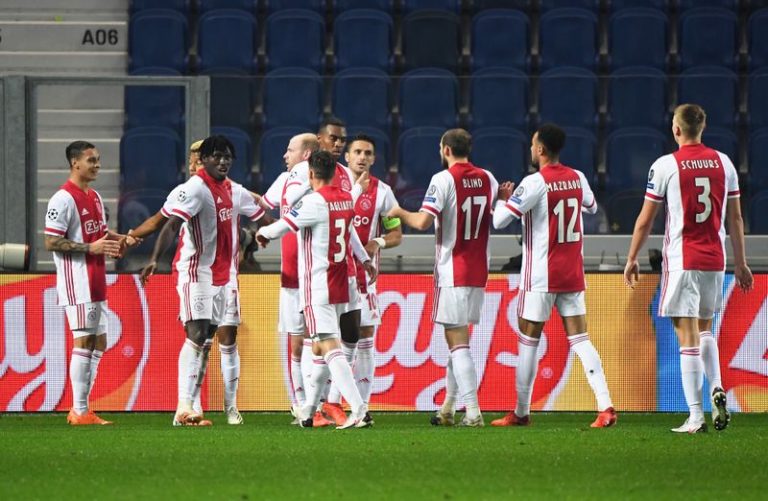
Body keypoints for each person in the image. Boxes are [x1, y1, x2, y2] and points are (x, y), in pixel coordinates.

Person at [624, 104, 753, 433]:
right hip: (715, 259)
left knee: (687, 339)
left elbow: (646, 219)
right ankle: (716, 388)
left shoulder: (666, 165)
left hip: (683, 260)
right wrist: (741, 263)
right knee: (706, 328)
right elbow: (735, 218)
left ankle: (695, 416)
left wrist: (632, 257)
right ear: (703, 126)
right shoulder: (724, 163)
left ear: (677, 130)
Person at [492, 124, 617, 428]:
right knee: (581, 339)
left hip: (540, 277)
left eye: (533, 144)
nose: (531, 149)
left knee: (528, 342)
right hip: (571, 273)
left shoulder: (534, 183)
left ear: (540, 150)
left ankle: (521, 412)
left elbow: (499, 221)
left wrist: (503, 197)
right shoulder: (578, 177)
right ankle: (606, 405)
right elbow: (590, 206)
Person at [139, 135, 267, 427]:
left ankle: (217, 408)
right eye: (217, 156)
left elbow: (264, 218)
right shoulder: (194, 189)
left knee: (210, 339)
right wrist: (153, 259)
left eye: (227, 157)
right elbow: (171, 224)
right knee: (196, 335)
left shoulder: (234, 190)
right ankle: (184, 406)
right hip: (196, 273)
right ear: (204, 160)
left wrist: (288, 232)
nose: (222, 162)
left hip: (226, 276)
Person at [256, 150, 377, 429]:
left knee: (328, 344)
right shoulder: (346, 199)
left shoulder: (313, 201)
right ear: (335, 173)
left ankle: (358, 408)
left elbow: (281, 227)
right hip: (341, 281)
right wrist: (365, 260)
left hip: (317, 284)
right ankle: (309, 411)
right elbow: (352, 235)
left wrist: (261, 234)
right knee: (322, 347)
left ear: (311, 174)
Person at [388, 128, 498, 427]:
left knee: (457, 342)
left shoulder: (443, 179)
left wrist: (398, 210)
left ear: (445, 150)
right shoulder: (489, 178)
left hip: (452, 270)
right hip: (479, 271)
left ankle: (473, 412)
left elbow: (423, 221)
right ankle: (448, 408)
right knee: (459, 342)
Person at [44, 140, 124, 425]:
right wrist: (90, 249)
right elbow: (51, 241)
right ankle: (79, 410)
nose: (97, 165)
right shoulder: (62, 199)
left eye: (98, 159)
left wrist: (118, 240)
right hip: (77, 282)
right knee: (84, 340)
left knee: (99, 342)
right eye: (91, 160)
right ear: (75, 163)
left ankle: (83, 408)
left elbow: (99, 232)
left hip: (97, 279)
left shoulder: (95, 197)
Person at [260, 132, 329, 425]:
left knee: (298, 341)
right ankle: (316, 405)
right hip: (315, 271)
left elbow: (267, 206)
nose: (284, 155)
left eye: (290, 150)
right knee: (321, 340)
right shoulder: (323, 179)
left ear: (306, 155)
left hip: (296, 269)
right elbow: (264, 203)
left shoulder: (297, 176)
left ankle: (302, 404)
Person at [344, 134, 403, 425]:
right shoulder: (334, 186)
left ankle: (362, 407)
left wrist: (377, 241)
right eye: (357, 151)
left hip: (364, 281)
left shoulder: (383, 193)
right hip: (332, 277)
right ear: (347, 156)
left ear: (374, 158)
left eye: (367, 153)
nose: (362, 157)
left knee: (365, 338)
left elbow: (397, 234)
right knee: (330, 342)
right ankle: (321, 405)